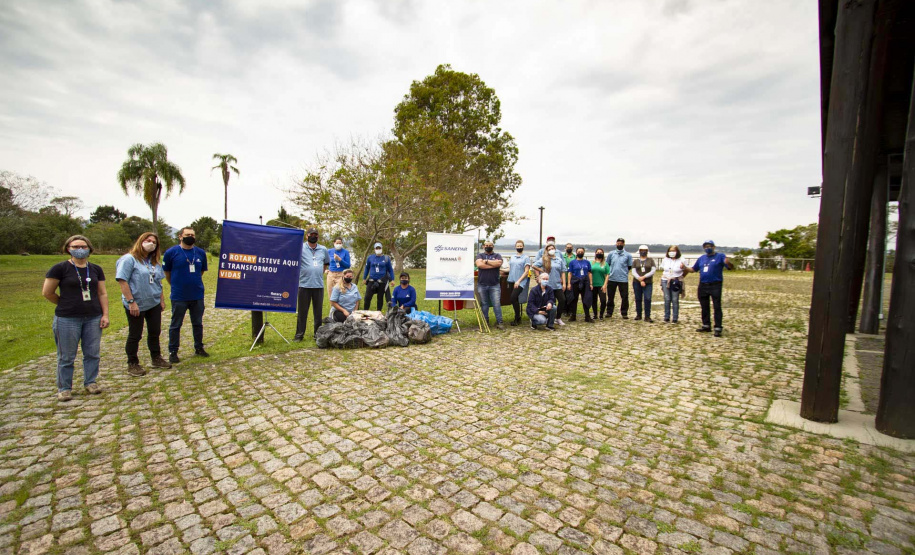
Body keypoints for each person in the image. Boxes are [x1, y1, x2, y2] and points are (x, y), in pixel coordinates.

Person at [42, 235, 110, 401]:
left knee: (92, 352)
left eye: (83, 246)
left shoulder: (95, 269)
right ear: (68, 248)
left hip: (93, 317)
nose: (80, 249)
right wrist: (64, 303)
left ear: (89, 249)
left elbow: (102, 292)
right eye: (76, 246)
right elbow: (47, 292)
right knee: (66, 355)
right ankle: (65, 387)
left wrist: (105, 314)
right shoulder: (60, 268)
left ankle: (90, 382)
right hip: (67, 318)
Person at [116, 232, 171, 377]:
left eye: (154, 242)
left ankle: (156, 357)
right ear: (140, 241)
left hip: (153, 302)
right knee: (135, 334)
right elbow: (123, 281)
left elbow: (158, 282)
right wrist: (131, 302)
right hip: (136, 303)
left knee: (155, 332)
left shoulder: (154, 262)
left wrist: (161, 300)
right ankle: (132, 363)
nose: (151, 243)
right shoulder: (129, 260)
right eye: (148, 240)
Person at [163, 227, 208, 362]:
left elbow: (201, 272)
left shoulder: (200, 253)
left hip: (197, 295)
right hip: (179, 296)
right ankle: (173, 351)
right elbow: (167, 273)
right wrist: (176, 285)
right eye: (187, 234)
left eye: (193, 235)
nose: (190, 237)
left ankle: (199, 347)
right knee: (176, 324)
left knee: (198, 323)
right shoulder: (171, 253)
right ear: (180, 236)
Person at [683, 240, 734, 337]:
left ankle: (718, 327)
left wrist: (729, 263)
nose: (707, 248)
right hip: (703, 285)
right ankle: (706, 325)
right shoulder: (702, 258)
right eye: (705, 247)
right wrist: (685, 268)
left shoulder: (720, 256)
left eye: (709, 246)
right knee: (704, 306)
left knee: (717, 306)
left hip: (715, 284)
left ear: (714, 247)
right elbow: (694, 269)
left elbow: (730, 267)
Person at [296, 228, 330, 341]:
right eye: (312, 234)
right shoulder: (300, 247)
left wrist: (317, 272)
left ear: (318, 237)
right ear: (307, 236)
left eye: (316, 235)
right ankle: (299, 335)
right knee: (302, 312)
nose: (314, 236)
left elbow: (325, 264)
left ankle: (317, 334)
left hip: (318, 285)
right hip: (304, 285)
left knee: (318, 312)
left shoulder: (323, 249)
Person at [531, 244, 567, 326]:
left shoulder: (559, 260)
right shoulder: (544, 259)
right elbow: (534, 265)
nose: (551, 250)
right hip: (548, 285)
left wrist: (564, 283)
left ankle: (558, 318)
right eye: (549, 249)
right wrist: (542, 271)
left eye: (552, 248)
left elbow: (563, 272)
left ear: (555, 249)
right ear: (547, 251)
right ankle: (550, 318)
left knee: (562, 300)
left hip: (557, 284)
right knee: (550, 303)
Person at [475, 240, 505, 330]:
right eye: (486, 245)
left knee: (496, 303)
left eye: (490, 245)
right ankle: (485, 322)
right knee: (484, 304)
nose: (488, 246)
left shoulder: (497, 255)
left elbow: (499, 263)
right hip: (482, 284)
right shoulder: (480, 255)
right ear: (483, 246)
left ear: (493, 246)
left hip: (494, 284)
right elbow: (479, 265)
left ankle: (500, 322)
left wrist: (486, 261)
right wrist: (493, 265)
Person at [606, 238, 633, 319]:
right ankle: (609, 312)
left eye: (621, 243)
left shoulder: (628, 255)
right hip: (612, 278)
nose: (619, 244)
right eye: (618, 243)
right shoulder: (611, 254)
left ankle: (624, 313)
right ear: (616, 244)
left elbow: (629, 266)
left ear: (624, 244)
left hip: (623, 279)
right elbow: (608, 264)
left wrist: (623, 272)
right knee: (610, 297)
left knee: (624, 297)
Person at [363, 242, 394, 311]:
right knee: (367, 297)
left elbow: (390, 270)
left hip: (382, 281)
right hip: (371, 280)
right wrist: (364, 278)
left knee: (380, 298)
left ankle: (378, 312)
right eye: (376, 248)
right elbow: (367, 268)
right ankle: (365, 311)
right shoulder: (370, 257)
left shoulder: (386, 258)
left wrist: (392, 279)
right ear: (374, 249)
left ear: (382, 248)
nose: (378, 249)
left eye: (379, 248)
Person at [506, 240, 531, 326]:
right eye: (518, 246)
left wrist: (519, 281)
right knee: (514, 299)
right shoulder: (512, 257)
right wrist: (499, 270)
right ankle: (517, 318)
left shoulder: (526, 258)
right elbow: (509, 269)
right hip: (511, 280)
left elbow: (526, 271)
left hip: (520, 282)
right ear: (515, 247)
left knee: (513, 298)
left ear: (523, 247)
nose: (519, 247)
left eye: (521, 246)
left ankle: (517, 317)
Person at [660, 245, 686, 323]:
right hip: (665, 280)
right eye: (670, 251)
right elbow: (663, 268)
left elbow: (686, 269)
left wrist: (683, 267)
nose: (672, 252)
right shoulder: (666, 259)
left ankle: (675, 317)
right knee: (667, 299)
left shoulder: (681, 259)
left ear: (677, 251)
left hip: (676, 281)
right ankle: (666, 316)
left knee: (675, 299)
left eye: (673, 251)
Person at [567, 247, 594, 323]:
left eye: (581, 251)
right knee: (574, 299)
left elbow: (589, 273)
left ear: (584, 253)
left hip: (585, 282)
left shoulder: (587, 262)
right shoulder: (572, 262)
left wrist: (591, 283)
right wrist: (569, 283)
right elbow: (569, 273)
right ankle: (573, 316)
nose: (580, 253)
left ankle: (587, 316)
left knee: (585, 299)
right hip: (575, 282)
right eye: (579, 251)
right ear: (576, 252)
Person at [326, 237, 351, 302]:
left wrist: (340, 259)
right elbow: (324, 261)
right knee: (330, 294)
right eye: (337, 243)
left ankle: (340, 310)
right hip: (331, 274)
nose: (338, 244)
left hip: (341, 274)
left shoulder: (345, 252)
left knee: (340, 293)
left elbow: (348, 265)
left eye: (340, 243)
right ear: (334, 243)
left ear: (342, 244)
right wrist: (326, 269)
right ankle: (332, 310)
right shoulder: (329, 251)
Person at [590, 249, 609, 320]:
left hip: (601, 285)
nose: (599, 253)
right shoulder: (591, 263)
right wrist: (591, 283)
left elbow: (607, 274)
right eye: (598, 252)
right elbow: (589, 273)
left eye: (601, 253)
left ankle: (601, 314)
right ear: (595, 253)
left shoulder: (605, 264)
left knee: (603, 300)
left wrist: (605, 285)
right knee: (593, 300)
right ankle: (595, 314)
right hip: (593, 284)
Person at [561, 243, 576, 318]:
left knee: (570, 295)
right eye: (567, 247)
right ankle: (564, 310)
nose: (569, 248)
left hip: (572, 278)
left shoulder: (575, 257)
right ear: (565, 248)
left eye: (570, 247)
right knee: (563, 295)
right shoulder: (562, 257)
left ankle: (570, 310)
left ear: (572, 248)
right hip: (564, 278)